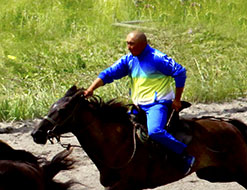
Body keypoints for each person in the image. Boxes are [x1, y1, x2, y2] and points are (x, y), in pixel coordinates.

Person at [82, 31, 195, 175]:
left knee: (154, 132)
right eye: (127, 43)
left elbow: (180, 72)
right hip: (138, 106)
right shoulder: (129, 60)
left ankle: (184, 154)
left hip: (157, 104)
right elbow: (108, 74)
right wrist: (91, 89)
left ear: (143, 44)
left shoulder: (157, 58)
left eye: (131, 44)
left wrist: (177, 99)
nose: (128, 47)